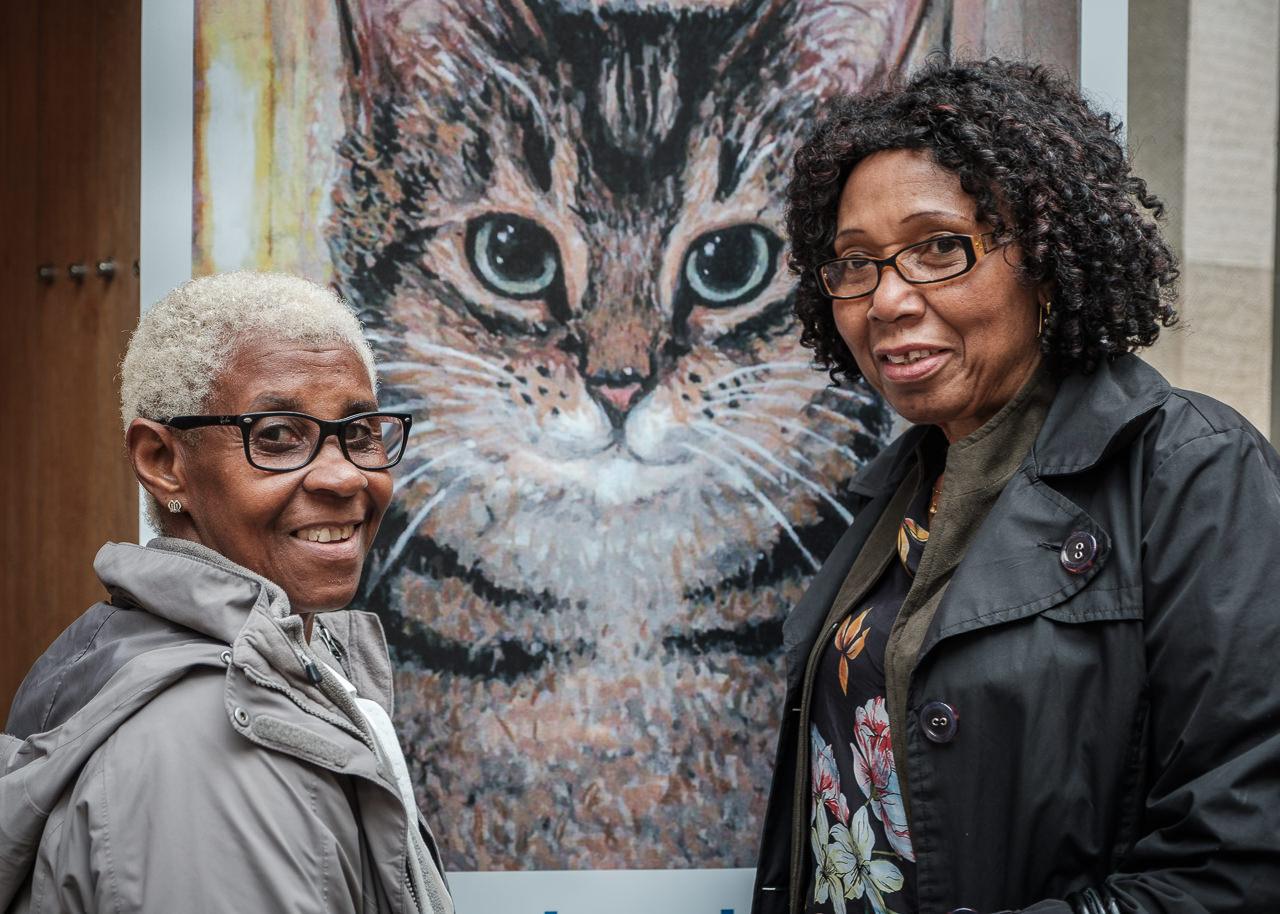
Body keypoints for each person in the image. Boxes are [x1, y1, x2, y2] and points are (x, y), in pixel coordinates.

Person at [751, 58, 1280, 914]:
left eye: (937, 248)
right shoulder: (898, 489)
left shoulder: (1194, 472)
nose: (885, 299)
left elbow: (1241, 859)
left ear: (1045, 254)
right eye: (854, 262)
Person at [0, 272, 453, 914]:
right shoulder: (211, 749)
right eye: (275, 435)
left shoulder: (210, 667)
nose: (344, 475)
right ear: (162, 462)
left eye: (359, 432)